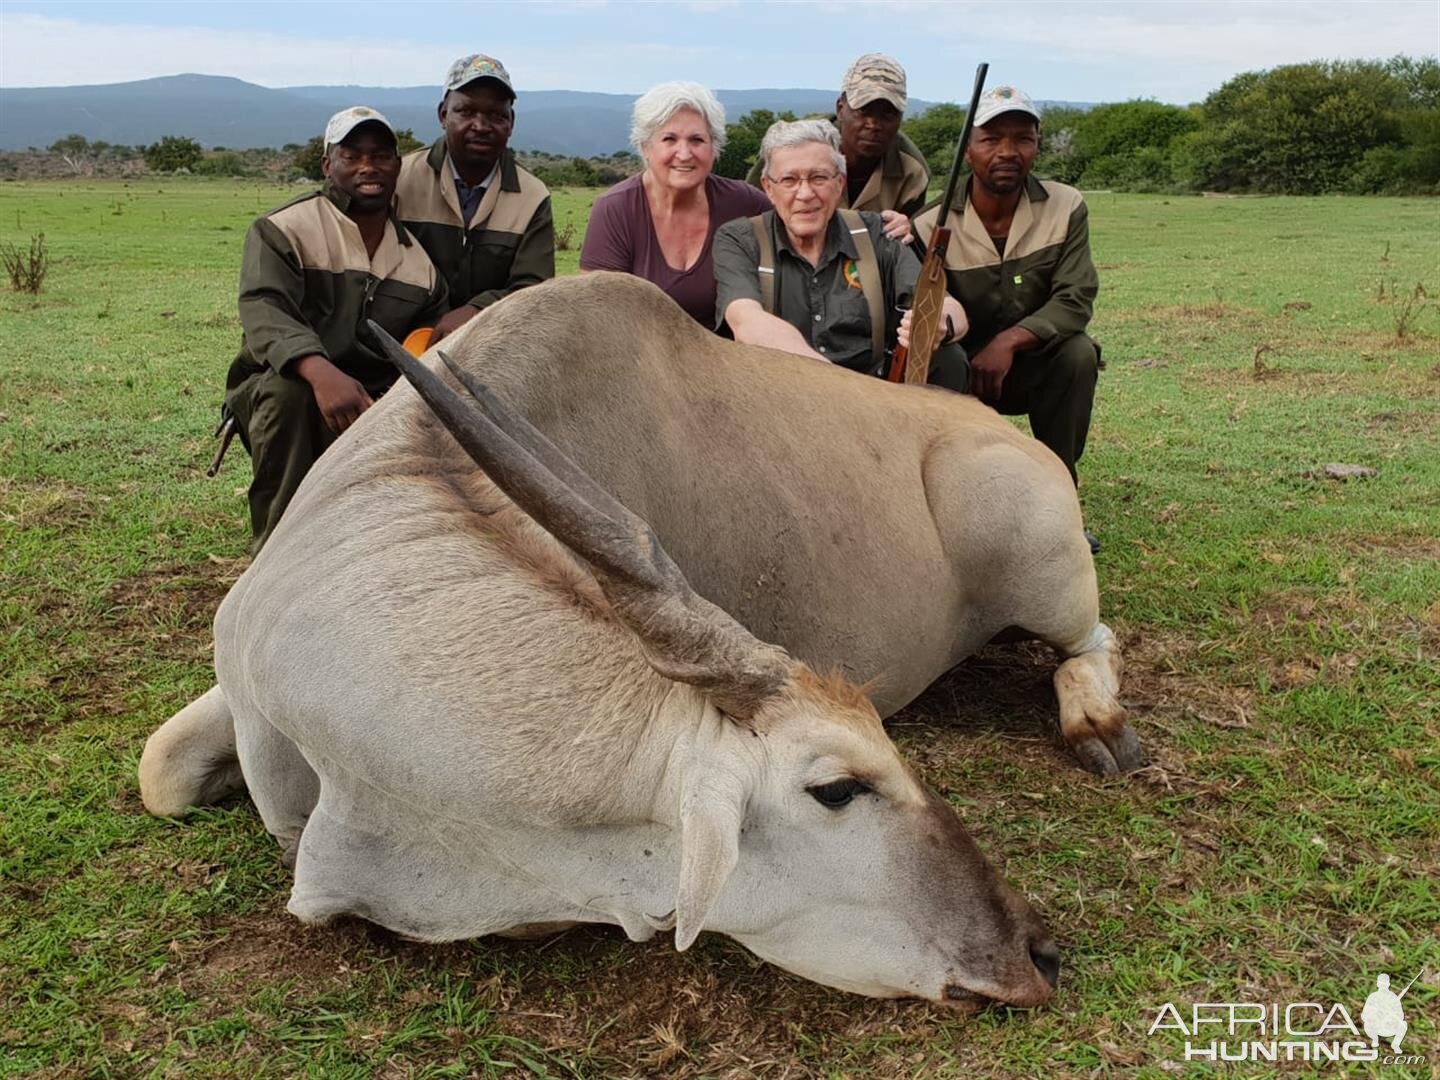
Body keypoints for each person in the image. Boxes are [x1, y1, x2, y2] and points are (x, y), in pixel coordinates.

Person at [225, 107, 448, 551]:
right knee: (288, 396)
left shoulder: (420, 264)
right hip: (288, 384)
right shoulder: (284, 229)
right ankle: (275, 552)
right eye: (352, 155)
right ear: (328, 164)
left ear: (397, 167)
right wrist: (320, 373)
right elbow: (264, 309)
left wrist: (392, 398)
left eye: (381, 155)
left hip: (373, 397)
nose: (368, 166)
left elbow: (422, 341)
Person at [912, 85, 1102, 551]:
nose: (1007, 152)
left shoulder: (1066, 205)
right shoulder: (927, 225)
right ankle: (961, 518)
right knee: (943, 362)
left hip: (1031, 364)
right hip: (963, 377)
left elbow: (1076, 298)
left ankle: (1060, 505)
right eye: (991, 138)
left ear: (1038, 145)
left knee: (1078, 353)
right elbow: (927, 317)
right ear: (967, 148)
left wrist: (1011, 341)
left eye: (1023, 138)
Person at [714, 120, 966, 389]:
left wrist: (940, 324)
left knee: (949, 358)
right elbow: (747, 322)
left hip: (875, 395)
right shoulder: (739, 239)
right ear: (768, 187)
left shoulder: (878, 233)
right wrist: (841, 389)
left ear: (839, 183)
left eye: (819, 178)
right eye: (789, 180)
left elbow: (952, 310)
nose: (805, 194)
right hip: (783, 396)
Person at [580, 82, 771, 328]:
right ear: (645, 148)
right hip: (644, 361)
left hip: (732, 358)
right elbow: (600, 316)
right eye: (669, 139)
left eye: (697, 140)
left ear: (714, 148)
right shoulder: (615, 210)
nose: (684, 153)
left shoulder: (746, 203)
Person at [396, 54, 554, 341]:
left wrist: (477, 309)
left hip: (492, 346)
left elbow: (534, 290)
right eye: (466, 112)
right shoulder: (399, 180)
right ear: (443, 114)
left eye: (496, 115)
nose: (481, 125)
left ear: (511, 122)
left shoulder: (532, 196)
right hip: (404, 343)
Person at [746, 53, 928, 236]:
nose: (873, 124)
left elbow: (909, 240)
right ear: (841, 108)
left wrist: (904, 229)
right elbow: (750, 211)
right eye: (863, 110)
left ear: (900, 118)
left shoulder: (912, 171)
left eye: (888, 114)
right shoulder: (792, 146)